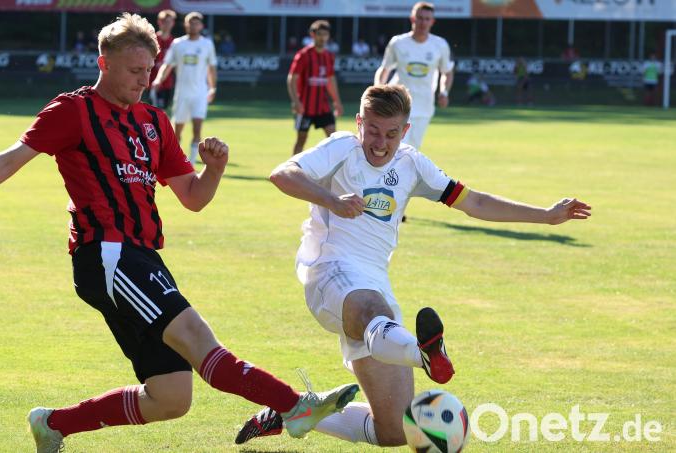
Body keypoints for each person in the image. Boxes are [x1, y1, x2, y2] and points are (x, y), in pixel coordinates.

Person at [0, 13, 359, 453]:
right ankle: (295, 406)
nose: (144, 79)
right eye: (134, 70)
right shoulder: (73, 111)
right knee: (199, 341)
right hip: (106, 255)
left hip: (140, 255)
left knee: (170, 398)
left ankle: (52, 424)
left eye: (148, 70)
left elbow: (193, 198)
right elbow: (9, 160)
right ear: (103, 63)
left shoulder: (153, 121)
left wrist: (215, 169)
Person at [234, 84, 591, 447]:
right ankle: (423, 354)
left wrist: (545, 215)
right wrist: (331, 200)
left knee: (395, 431)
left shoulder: (412, 163)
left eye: (391, 133)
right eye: (372, 130)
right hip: (328, 271)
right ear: (359, 122)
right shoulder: (341, 147)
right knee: (374, 309)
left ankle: (294, 410)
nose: (379, 142)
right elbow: (282, 173)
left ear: (404, 130)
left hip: (376, 291)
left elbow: (476, 203)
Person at [374, 1, 453, 150]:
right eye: (420, 18)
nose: (423, 22)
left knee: (411, 150)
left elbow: (447, 72)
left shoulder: (440, 45)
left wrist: (444, 92)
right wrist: (378, 90)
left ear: (432, 22)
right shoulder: (398, 43)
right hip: (398, 104)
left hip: (424, 106)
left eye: (427, 19)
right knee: (396, 148)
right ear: (412, 19)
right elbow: (385, 69)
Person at [152, 11, 217, 165]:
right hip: (182, 94)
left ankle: (192, 164)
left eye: (196, 23)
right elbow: (167, 65)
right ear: (185, 25)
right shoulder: (178, 44)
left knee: (197, 129)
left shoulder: (207, 44)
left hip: (200, 94)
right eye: (190, 22)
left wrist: (213, 87)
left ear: (201, 26)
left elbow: (211, 68)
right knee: (177, 132)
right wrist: (158, 79)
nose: (193, 25)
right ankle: (175, 162)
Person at [287, 20, 343, 155]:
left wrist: (337, 101)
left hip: (323, 106)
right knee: (301, 139)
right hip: (305, 106)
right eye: (319, 34)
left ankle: (333, 171)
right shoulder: (303, 55)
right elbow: (291, 79)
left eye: (325, 34)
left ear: (328, 36)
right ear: (312, 35)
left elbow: (330, 80)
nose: (322, 38)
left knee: (333, 138)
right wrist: (296, 101)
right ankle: (291, 171)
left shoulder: (329, 56)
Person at [149, 9, 177, 110]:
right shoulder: (152, 40)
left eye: (169, 21)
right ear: (159, 22)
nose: (166, 24)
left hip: (167, 82)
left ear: (173, 23)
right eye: (164, 21)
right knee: (153, 110)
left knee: (163, 111)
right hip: (152, 81)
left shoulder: (175, 42)